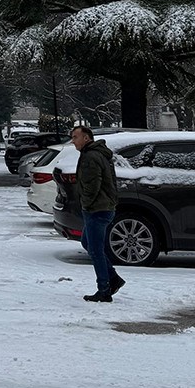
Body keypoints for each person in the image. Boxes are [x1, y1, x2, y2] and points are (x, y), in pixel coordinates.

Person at [71, 124, 125, 303]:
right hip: (102, 207)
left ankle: (104, 289)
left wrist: (85, 204)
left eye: (75, 137)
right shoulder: (96, 154)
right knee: (88, 243)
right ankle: (113, 278)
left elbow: (91, 186)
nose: (73, 141)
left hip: (97, 209)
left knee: (95, 250)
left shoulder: (91, 156)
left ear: (86, 138)